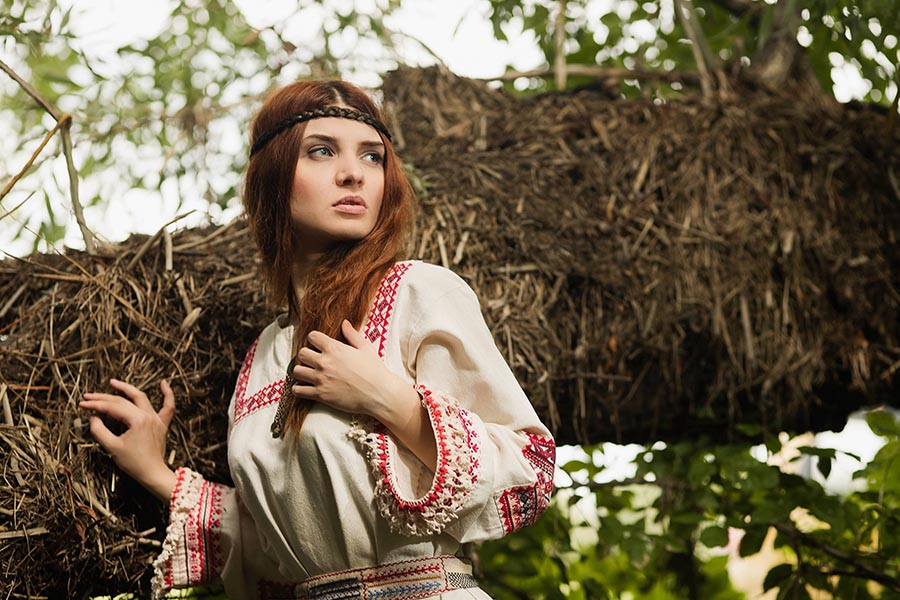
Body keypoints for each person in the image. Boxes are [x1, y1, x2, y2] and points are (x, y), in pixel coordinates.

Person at [80, 79, 556, 600]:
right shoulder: (262, 355)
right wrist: (157, 472)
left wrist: (390, 399)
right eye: (322, 151)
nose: (353, 172)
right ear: (274, 178)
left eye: (372, 157)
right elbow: (284, 545)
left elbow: (526, 469)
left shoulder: (418, 293)